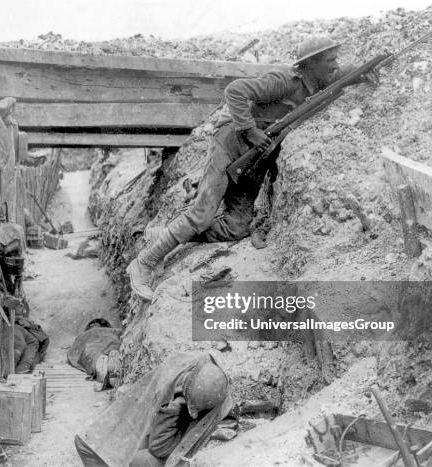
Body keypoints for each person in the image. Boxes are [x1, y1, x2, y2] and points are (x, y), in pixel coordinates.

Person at [127, 36, 377, 301]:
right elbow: (235, 91)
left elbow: (339, 76)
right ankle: (144, 263)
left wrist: (361, 73)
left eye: (335, 60)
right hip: (231, 145)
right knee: (201, 215)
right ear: (311, 64)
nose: (334, 65)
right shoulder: (284, 82)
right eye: (329, 60)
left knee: (237, 228)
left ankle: (166, 235)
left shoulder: (317, 82)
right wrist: (250, 130)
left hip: (253, 161)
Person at [74, 352, 230, 467]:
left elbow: (159, 449)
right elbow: (156, 445)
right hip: (138, 429)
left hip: (164, 440)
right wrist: (176, 405)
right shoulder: (175, 381)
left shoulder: (207, 392)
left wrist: (178, 406)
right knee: (96, 446)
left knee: (140, 460)